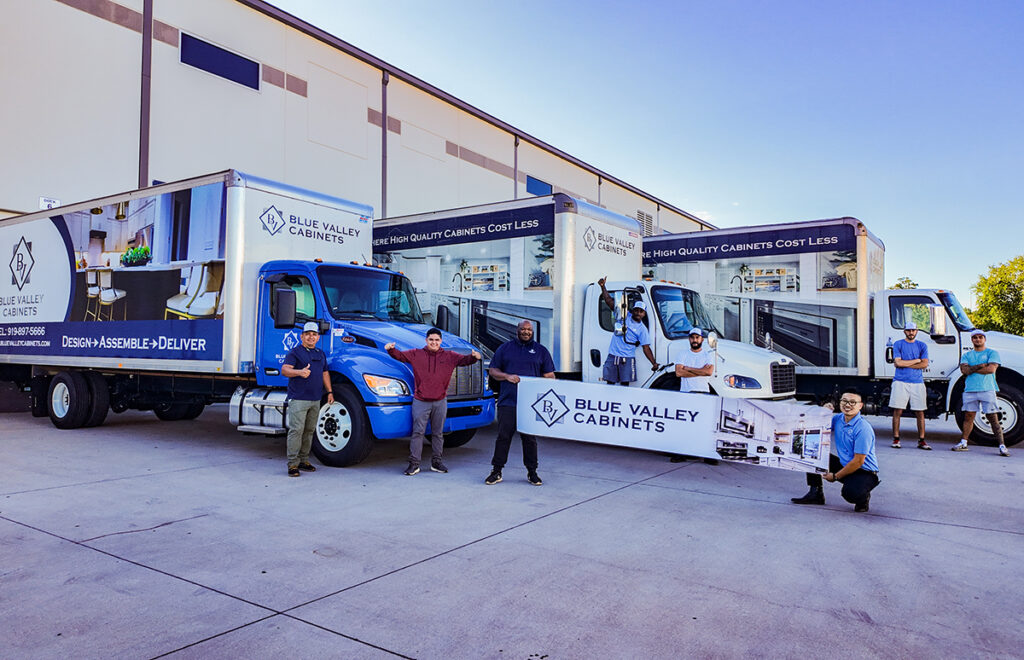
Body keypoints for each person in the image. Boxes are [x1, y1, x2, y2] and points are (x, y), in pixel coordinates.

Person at [386, 328, 481, 475]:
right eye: (431, 340)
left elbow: (464, 361)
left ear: (441, 341)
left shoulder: (450, 356)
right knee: (418, 433)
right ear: (426, 340)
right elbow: (400, 356)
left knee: (438, 434)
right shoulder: (416, 353)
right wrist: (391, 350)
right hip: (421, 401)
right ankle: (414, 464)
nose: (434, 342)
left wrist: (474, 357)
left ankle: (436, 463)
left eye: (437, 340)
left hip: (440, 401)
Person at [485, 320, 555, 486]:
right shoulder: (505, 348)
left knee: (529, 439)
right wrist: (507, 376)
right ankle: (496, 471)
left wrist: (545, 381)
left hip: (530, 404)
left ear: (532, 332)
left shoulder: (541, 351)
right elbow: (493, 371)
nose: (526, 332)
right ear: (517, 331)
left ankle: (532, 472)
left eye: (529, 330)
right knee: (503, 437)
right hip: (508, 401)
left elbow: (550, 375)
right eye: (523, 329)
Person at [791, 388, 880, 512]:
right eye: (844, 401)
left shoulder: (863, 428)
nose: (848, 404)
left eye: (852, 402)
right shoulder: (839, 419)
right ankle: (815, 493)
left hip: (864, 471)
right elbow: (817, 428)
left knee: (851, 493)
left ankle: (863, 497)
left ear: (860, 406)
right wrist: (823, 411)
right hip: (846, 465)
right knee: (811, 453)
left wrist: (836, 476)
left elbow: (858, 461)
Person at [281, 321, 334, 477]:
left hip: (315, 399)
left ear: (318, 337)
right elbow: (285, 370)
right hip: (299, 398)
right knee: (296, 430)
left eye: (314, 334)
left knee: (309, 430)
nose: (311, 337)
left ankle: (304, 461)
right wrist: (299, 372)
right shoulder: (295, 352)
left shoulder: (320, 353)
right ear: (302, 336)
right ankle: (292, 464)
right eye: (308, 334)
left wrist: (330, 391)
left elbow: (325, 373)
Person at [952, 329, 1009, 456]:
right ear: (972, 340)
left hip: (987, 389)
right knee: (968, 417)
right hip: (970, 390)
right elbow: (964, 371)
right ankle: (963, 442)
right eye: (975, 337)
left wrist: (972, 368)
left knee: (993, 418)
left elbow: (990, 370)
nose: (978, 339)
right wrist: (980, 366)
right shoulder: (967, 355)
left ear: (984, 339)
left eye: (980, 337)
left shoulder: (992, 353)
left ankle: (1002, 445)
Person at [598, 276, 657, 385]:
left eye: (641, 311)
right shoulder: (624, 316)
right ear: (632, 310)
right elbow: (610, 302)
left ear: (644, 314)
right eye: (636, 310)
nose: (638, 313)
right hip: (613, 355)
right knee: (609, 384)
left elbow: (646, 347)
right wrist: (603, 287)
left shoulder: (642, 329)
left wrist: (653, 363)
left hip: (627, 358)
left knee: (625, 385)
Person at [890, 321, 931, 450]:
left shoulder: (922, 345)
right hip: (900, 381)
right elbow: (897, 363)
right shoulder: (898, 344)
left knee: (920, 412)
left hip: (917, 382)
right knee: (898, 410)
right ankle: (896, 439)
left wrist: (905, 363)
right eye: (908, 330)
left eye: (913, 330)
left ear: (917, 331)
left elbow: (924, 364)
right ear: (905, 331)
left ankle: (922, 440)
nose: (911, 333)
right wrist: (916, 360)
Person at [673, 327, 714, 393]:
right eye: (692, 337)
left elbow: (708, 372)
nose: (694, 340)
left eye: (697, 337)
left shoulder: (707, 355)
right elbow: (678, 373)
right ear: (689, 339)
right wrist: (702, 371)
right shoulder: (682, 354)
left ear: (702, 339)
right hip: (686, 392)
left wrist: (688, 368)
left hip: (703, 392)